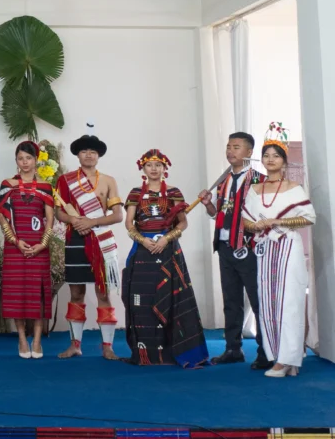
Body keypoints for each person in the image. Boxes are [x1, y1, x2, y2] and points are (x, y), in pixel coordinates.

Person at [122, 149, 208, 368]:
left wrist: (166, 239)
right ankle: (145, 354)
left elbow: (183, 222)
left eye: (158, 165)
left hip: (168, 250)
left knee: (171, 300)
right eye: (149, 165)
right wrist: (143, 240)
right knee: (142, 300)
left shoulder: (173, 192)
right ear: (143, 168)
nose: (154, 169)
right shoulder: (135, 193)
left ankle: (171, 353)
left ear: (164, 168)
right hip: (143, 252)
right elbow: (129, 223)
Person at [241, 123, 315, 377]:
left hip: (288, 247)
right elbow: (245, 221)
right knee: (268, 301)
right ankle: (277, 356)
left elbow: (308, 218)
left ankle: (288, 358)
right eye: (266, 155)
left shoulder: (294, 188)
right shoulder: (254, 189)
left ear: (284, 161)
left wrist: (277, 221)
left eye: (276, 155)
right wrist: (256, 225)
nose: (270, 159)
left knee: (289, 301)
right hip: (265, 250)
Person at [199, 132, 271, 369]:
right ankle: (233, 348)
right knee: (231, 300)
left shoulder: (260, 181)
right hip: (224, 247)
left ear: (249, 152)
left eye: (236, 147)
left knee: (258, 300)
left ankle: (265, 351)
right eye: (229, 147)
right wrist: (208, 204)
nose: (231, 151)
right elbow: (217, 214)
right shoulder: (223, 181)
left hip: (249, 248)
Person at [54, 128, 123, 360]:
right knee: (76, 293)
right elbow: (59, 212)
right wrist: (75, 220)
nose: (89, 155)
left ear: (98, 155)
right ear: (78, 155)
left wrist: (91, 222)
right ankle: (75, 345)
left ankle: (107, 346)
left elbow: (118, 216)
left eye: (93, 151)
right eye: (84, 151)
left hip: (101, 241)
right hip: (75, 240)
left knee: (103, 293)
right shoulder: (65, 180)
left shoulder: (108, 181)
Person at [0, 141, 55, 359]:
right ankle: (22, 339)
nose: (25, 162)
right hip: (15, 248)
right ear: (16, 161)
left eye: (29, 158)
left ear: (36, 160)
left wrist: (43, 244)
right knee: (17, 294)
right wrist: (15, 241)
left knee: (37, 294)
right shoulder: (7, 184)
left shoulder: (45, 187)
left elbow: (50, 220)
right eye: (20, 158)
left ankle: (37, 341)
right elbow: (2, 217)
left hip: (39, 247)